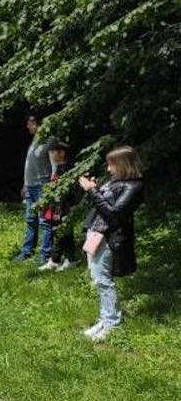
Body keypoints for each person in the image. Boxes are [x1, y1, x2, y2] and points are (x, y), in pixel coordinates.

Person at [78, 146, 145, 342]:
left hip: (109, 237)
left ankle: (112, 323)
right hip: (97, 233)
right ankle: (105, 319)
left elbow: (115, 214)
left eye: (111, 164)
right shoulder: (117, 182)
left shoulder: (134, 186)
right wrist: (95, 188)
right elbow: (104, 205)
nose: (108, 169)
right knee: (97, 278)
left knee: (104, 280)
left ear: (123, 164)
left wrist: (93, 192)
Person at [16, 114, 52, 262]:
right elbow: (28, 166)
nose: (28, 126)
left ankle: (45, 254)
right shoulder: (34, 140)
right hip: (30, 187)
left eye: (31, 123)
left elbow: (55, 165)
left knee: (45, 221)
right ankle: (27, 251)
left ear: (40, 124)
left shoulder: (49, 141)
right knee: (30, 220)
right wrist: (25, 184)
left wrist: (52, 185)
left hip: (42, 186)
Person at [38, 138, 77, 272]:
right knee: (60, 233)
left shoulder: (68, 170)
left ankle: (68, 259)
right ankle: (58, 259)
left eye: (53, 152)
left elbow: (67, 194)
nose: (50, 155)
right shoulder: (59, 169)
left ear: (62, 153)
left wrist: (59, 210)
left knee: (64, 233)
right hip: (57, 208)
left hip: (65, 208)